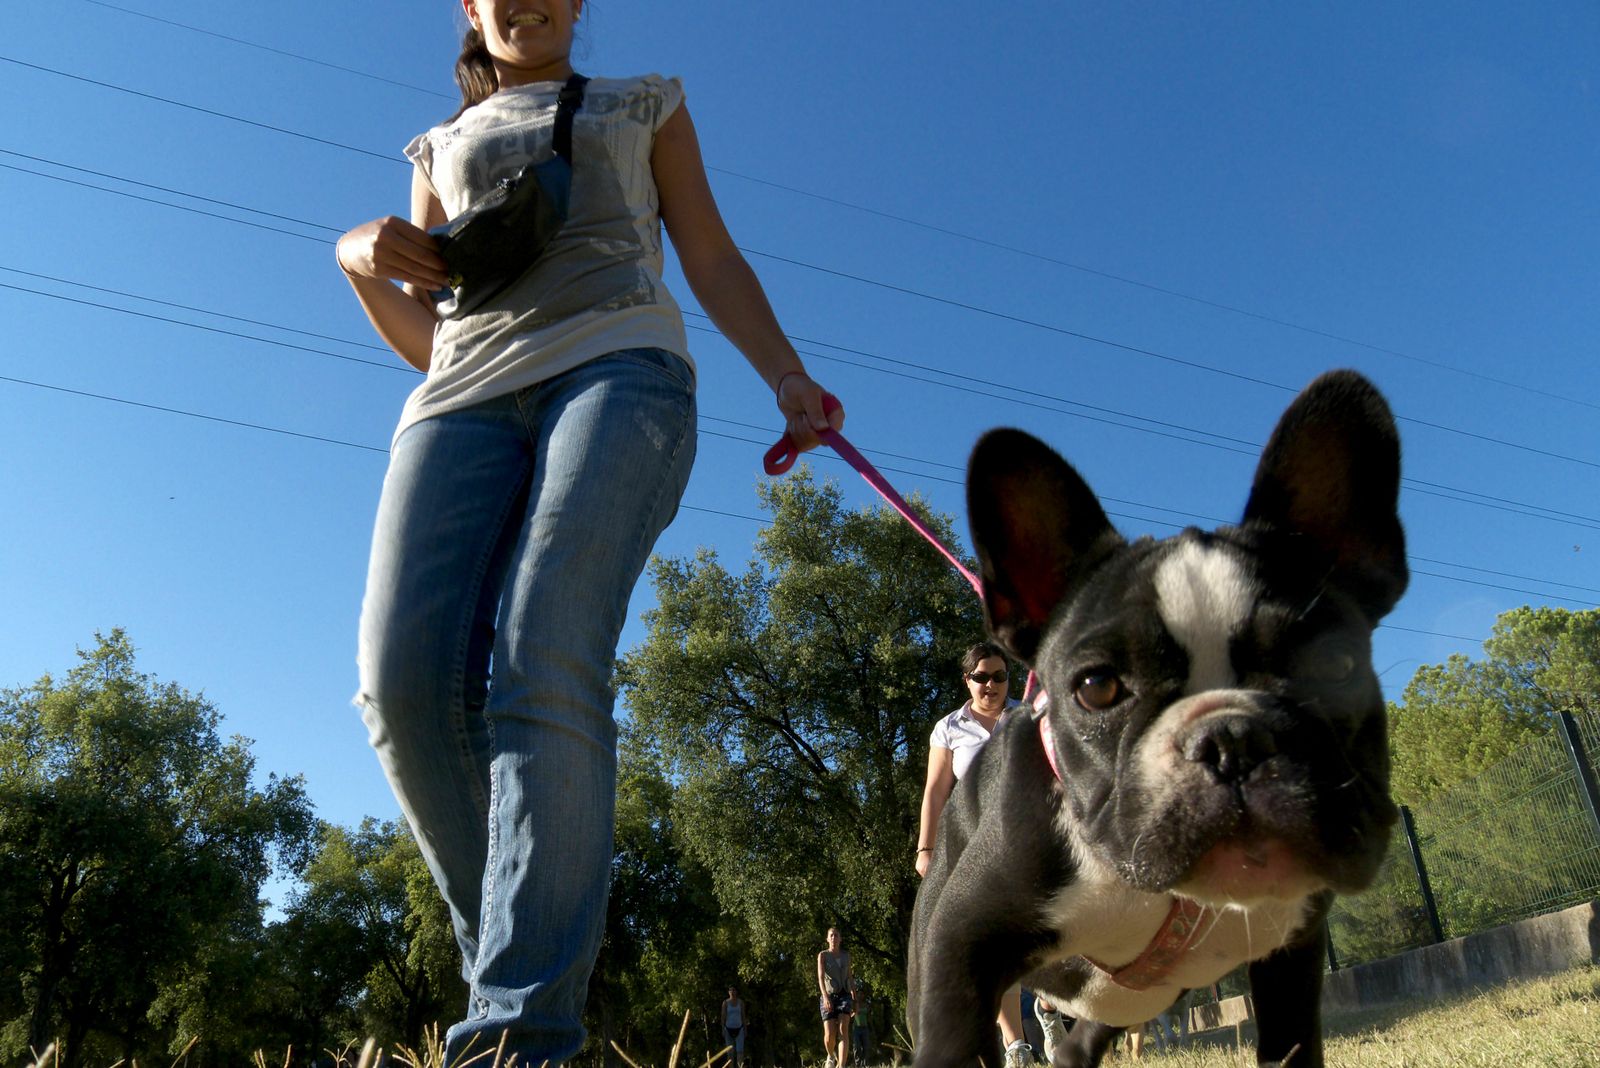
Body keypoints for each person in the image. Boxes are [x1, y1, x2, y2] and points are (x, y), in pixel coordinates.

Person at [336, 3, 844, 1064]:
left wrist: (787, 373)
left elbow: (705, 253)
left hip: (621, 369)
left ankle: (519, 1035)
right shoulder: (435, 147)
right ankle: (520, 959)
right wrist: (358, 264)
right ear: (469, 8)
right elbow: (432, 337)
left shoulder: (644, 101)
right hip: (460, 401)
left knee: (541, 653)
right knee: (398, 684)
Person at [914, 643, 1033, 1066]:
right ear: (967, 680)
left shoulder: (1028, 716)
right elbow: (935, 790)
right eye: (982, 676)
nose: (991, 685)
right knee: (995, 943)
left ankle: (1051, 1008)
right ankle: (1016, 1043)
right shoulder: (949, 728)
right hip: (978, 848)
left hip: (1030, 839)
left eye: (1000, 676)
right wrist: (925, 848)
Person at [817, 927, 854, 1068]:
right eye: (831, 936)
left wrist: (854, 997)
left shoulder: (846, 956)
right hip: (829, 995)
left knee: (843, 1030)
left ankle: (842, 1065)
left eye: (836, 935)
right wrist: (825, 997)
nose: (834, 938)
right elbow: (820, 978)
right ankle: (831, 1056)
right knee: (829, 1035)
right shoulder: (823, 955)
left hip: (844, 994)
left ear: (840, 939)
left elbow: (850, 977)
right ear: (827, 939)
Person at [722, 986, 747, 1067]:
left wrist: (745, 1029)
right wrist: (723, 1028)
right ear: (728, 992)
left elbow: (743, 1016)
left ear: (736, 992)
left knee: (740, 1052)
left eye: (734, 990)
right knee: (730, 1053)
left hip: (739, 1029)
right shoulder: (725, 1003)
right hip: (728, 1029)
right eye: (730, 990)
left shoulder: (741, 1002)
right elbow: (723, 1016)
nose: (732, 992)